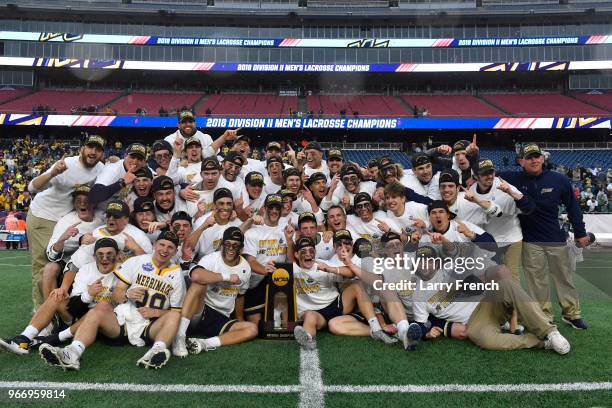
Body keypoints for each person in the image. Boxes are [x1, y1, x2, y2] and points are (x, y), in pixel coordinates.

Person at [39, 231, 185, 370]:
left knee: (174, 316)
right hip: (123, 320)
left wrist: (157, 312)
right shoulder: (135, 262)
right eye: (162, 244)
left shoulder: (177, 274)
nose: (164, 250)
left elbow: (176, 311)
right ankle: (72, 353)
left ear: (175, 251)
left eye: (170, 247)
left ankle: (156, 352)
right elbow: (116, 294)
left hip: (150, 326)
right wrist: (128, 294)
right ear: (155, 245)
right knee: (101, 307)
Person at [411, 246, 571, 354]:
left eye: (429, 260)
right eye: (421, 261)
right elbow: (421, 324)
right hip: (474, 320)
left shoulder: (451, 269)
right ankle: (542, 343)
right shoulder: (418, 295)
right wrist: (427, 334)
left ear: (436, 262)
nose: (425, 265)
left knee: (506, 284)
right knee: (483, 339)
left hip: (487, 301)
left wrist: (471, 284)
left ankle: (550, 332)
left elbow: (477, 278)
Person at [499, 143, 589, 329]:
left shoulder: (559, 179)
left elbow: (573, 206)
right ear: (521, 161)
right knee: (537, 282)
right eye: (529, 157)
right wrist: (473, 161)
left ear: (542, 158)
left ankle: (572, 314)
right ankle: (544, 316)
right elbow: (486, 174)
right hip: (531, 241)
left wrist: (580, 232)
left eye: (537, 156)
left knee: (564, 278)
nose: (534, 160)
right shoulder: (512, 178)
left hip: (556, 239)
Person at [0, 238, 119, 354]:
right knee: (56, 296)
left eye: (109, 254)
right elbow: (74, 308)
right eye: (100, 254)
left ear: (118, 255)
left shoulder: (123, 272)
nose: (105, 259)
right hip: (80, 315)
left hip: (106, 324)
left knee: (101, 308)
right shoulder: (86, 270)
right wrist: (89, 294)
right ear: (94, 256)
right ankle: (23, 339)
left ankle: (55, 338)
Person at [27, 135, 105, 309]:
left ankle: (62, 309)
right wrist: (53, 172)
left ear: (102, 153)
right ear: (82, 149)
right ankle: (41, 314)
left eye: (98, 149)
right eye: (90, 147)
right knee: (45, 266)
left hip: (70, 217)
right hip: (45, 216)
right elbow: (32, 187)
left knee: (69, 262)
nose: (93, 151)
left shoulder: (101, 168)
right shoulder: (67, 164)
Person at [178, 227, 258, 356]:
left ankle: (205, 343)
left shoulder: (245, 268)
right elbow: (196, 276)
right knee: (199, 284)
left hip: (221, 317)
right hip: (200, 311)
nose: (231, 248)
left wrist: (240, 319)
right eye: (228, 244)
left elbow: (240, 296)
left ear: (242, 248)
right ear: (221, 244)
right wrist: (226, 277)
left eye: (235, 245)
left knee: (252, 329)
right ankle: (180, 336)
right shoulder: (211, 259)